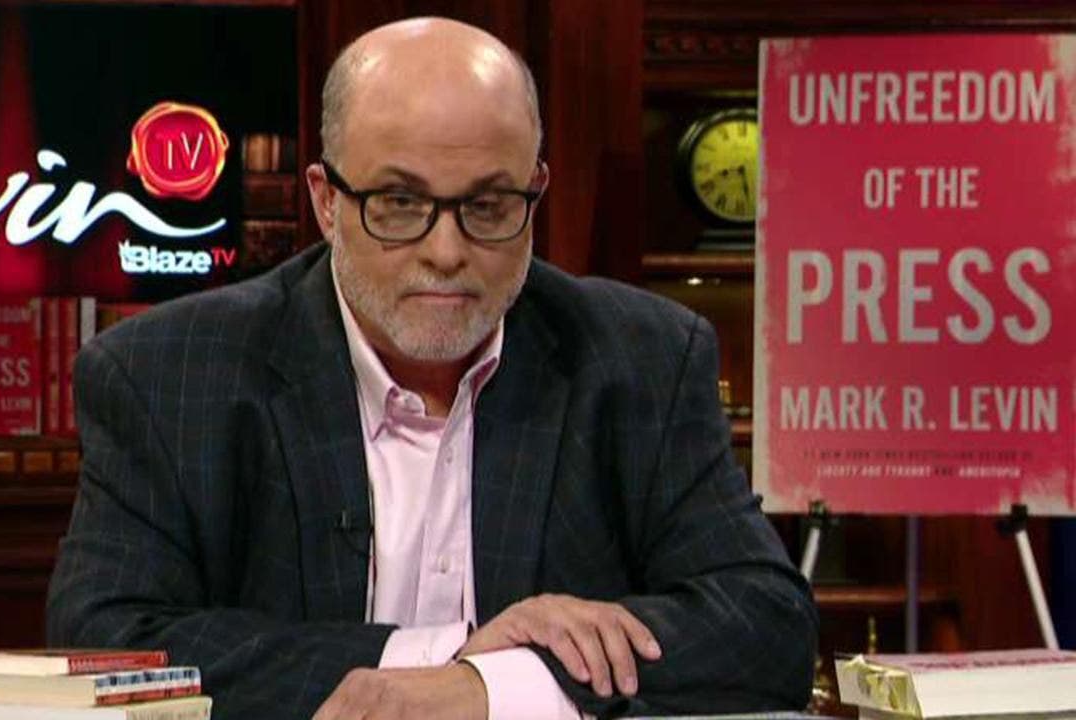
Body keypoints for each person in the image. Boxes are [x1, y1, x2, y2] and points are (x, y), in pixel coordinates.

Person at [46, 16, 817, 720]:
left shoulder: (641, 359)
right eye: (398, 203)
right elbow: (106, 642)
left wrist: (499, 688)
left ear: (535, 192)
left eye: (488, 206)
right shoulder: (168, 374)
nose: (446, 253)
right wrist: (441, 663)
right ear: (325, 201)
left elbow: (767, 625)